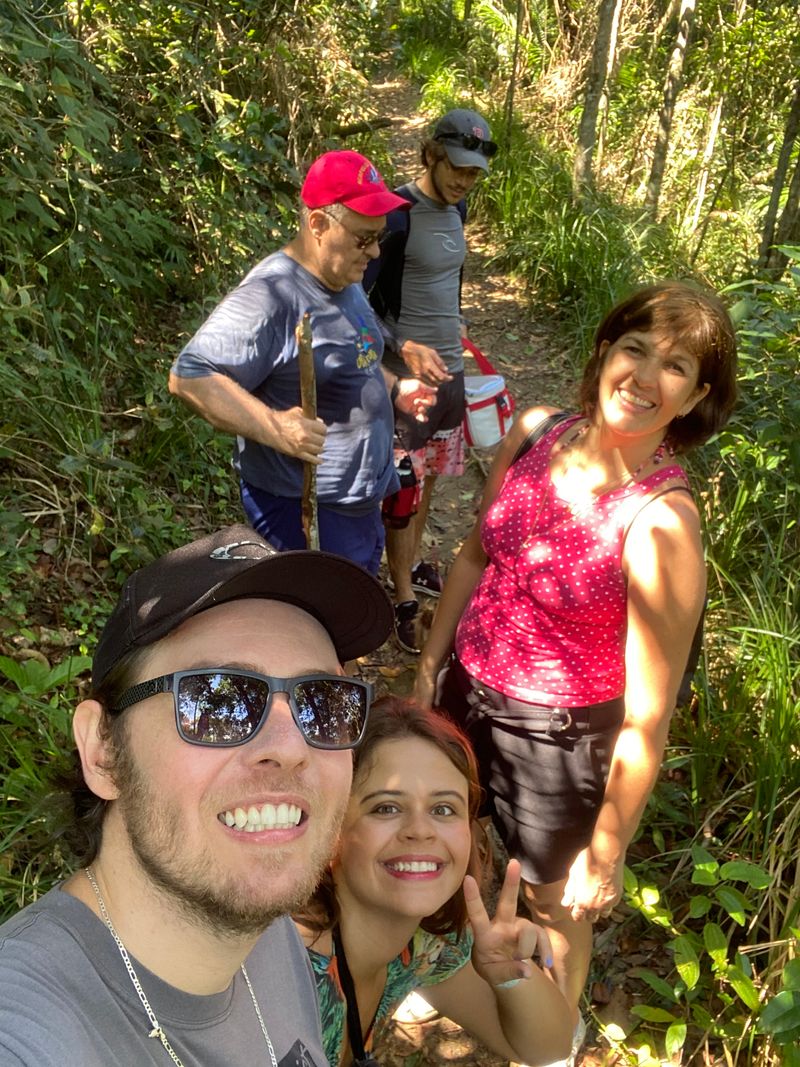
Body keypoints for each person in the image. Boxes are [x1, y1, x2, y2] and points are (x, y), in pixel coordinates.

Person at [414, 282, 738, 1062]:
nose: (645, 375)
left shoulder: (661, 522)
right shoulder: (536, 430)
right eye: (635, 348)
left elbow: (649, 713)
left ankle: (554, 1039)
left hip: (555, 738)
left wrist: (608, 846)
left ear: (696, 396)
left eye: (675, 366)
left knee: (553, 900)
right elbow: (475, 554)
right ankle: (447, 971)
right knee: (445, 831)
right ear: (605, 350)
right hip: (466, 685)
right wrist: (428, 667)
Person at [0, 523, 394, 1066]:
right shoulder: (27, 1033)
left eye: (323, 703)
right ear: (103, 750)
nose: (290, 747)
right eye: (215, 701)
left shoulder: (267, 931)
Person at [170, 150, 434, 576]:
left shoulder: (342, 275)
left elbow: (353, 355)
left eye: (379, 237)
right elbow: (190, 376)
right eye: (364, 238)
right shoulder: (271, 295)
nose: (374, 252)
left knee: (350, 607)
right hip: (308, 511)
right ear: (318, 224)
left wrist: (394, 388)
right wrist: (276, 428)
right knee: (312, 611)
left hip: (359, 500)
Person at [294, 696, 573, 1067]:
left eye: (443, 809)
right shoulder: (288, 975)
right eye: (386, 807)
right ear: (331, 831)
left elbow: (547, 1049)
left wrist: (510, 976)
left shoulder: (422, 945)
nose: (420, 830)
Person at [365, 108, 497, 650]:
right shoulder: (397, 217)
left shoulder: (458, 210)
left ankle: (413, 561)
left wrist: (455, 322)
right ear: (431, 154)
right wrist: (401, 347)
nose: (464, 180)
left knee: (432, 479)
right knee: (403, 490)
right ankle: (401, 596)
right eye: (456, 168)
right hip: (406, 383)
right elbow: (359, 304)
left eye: (472, 173)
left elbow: (450, 278)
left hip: (451, 373)